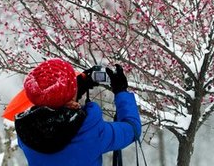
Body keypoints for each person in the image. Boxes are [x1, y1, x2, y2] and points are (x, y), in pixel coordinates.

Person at [13, 58, 141, 166]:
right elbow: (132, 129)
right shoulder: (90, 130)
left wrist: (75, 89)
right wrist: (121, 92)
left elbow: (51, 106)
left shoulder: (26, 133)